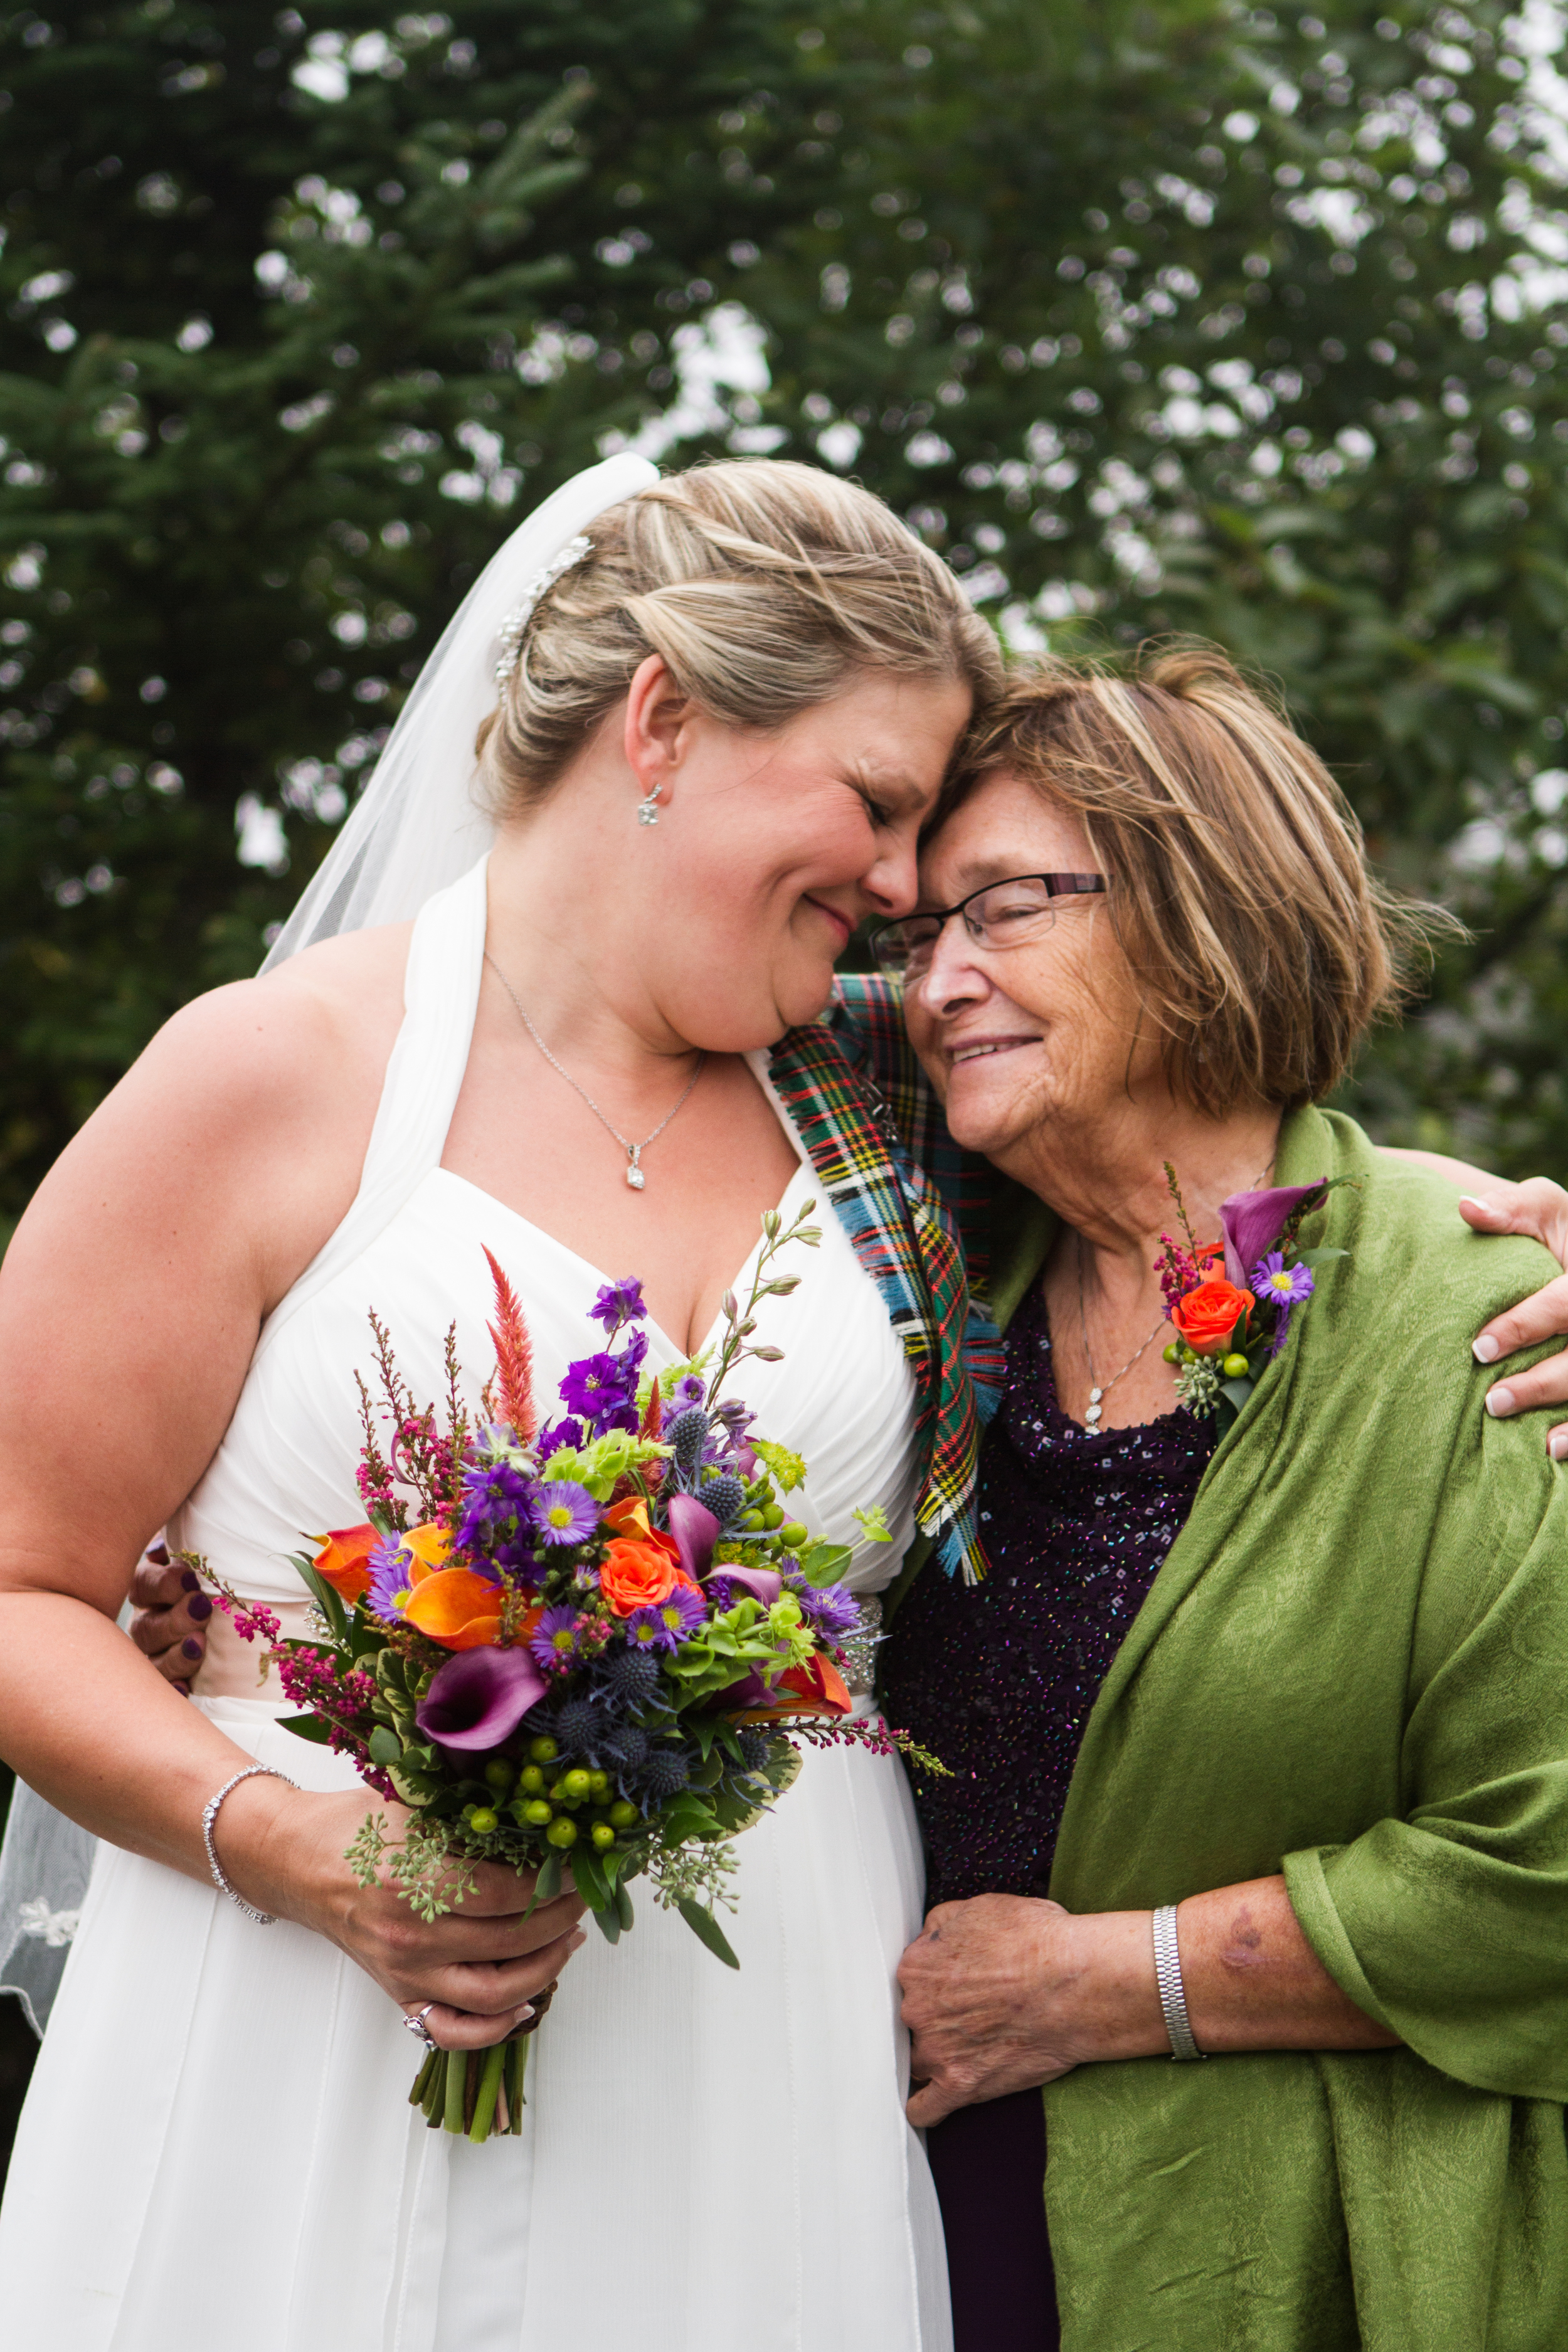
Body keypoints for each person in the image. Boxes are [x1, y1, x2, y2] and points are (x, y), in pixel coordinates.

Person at [0, 453, 1005, 2351]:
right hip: (303, 2019)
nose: (900, 889)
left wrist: (1490, 1225)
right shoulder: (271, 1074)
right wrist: (299, 1848)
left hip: (764, 2033)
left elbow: (1213, 1152)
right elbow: (18, 1588)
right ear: (663, 720)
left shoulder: (896, 1094)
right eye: (875, 803)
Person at [849, 646, 1568, 2351]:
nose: (938, 980)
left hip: (1278, 2257)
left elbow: (1542, 1868)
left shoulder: (1474, 1324)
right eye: (916, 933)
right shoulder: (915, 1291)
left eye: (1003, 907)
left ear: (1198, 908)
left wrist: (1104, 1983)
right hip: (891, 2224)